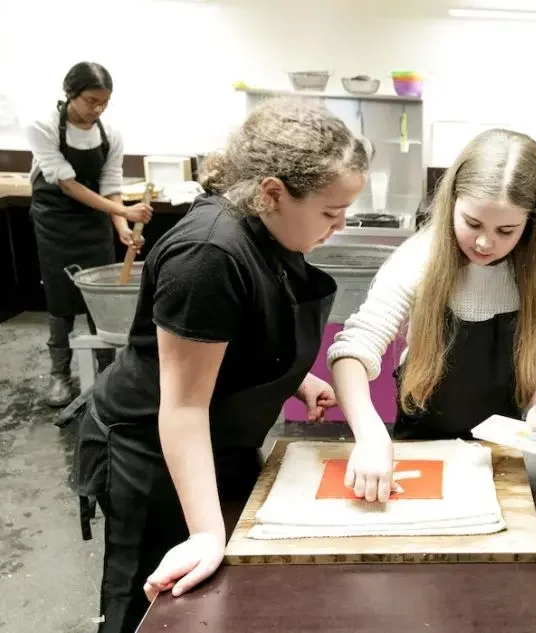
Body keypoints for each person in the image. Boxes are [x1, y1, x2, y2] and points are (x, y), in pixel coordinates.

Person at [71, 97, 371, 633]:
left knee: (230, 600)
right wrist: (205, 533)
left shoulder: (272, 228)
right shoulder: (207, 256)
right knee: (156, 604)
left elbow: (239, 329)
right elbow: (182, 407)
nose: (340, 225)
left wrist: (293, 375)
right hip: (154, 457)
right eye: (330, 212)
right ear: (273, 192)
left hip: (222, 442)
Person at [329, 128, 536, 503]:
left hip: (498, 456)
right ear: (452, 201)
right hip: (420, 449)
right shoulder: (417, 259)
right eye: (472, 223)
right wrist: (371, 435)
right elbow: (351, 352)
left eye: (506, 230)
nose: (486, 242)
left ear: (531, 223)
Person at [26, 61, 154, 407]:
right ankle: (59, 375)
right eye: (91, 101)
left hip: (95, 220)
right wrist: (123, 211)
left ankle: (107, 374)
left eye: (104, 103)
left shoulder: (109, 133)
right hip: (55, 222)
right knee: (60, 296)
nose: (97, 109)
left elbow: (111, 184)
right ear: (71, 95)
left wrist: (123, 228)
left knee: (104, 295)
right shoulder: (43, 126)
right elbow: (67, 184)